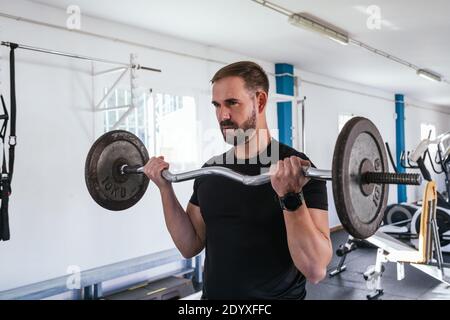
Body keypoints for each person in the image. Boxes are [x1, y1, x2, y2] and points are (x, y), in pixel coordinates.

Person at [144, 61, 331, 300]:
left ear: (260, 101)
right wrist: (165, 189)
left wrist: (290, 196)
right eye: (217, 105)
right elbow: (189, 245)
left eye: (232, 103)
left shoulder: (299, 171)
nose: (223, 115)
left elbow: (315, 270)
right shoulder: (211, 172)